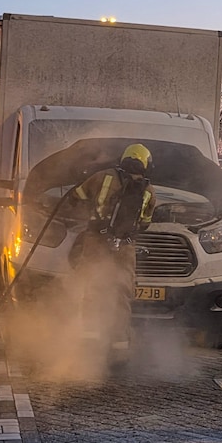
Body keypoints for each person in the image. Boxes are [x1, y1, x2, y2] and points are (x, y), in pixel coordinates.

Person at [69, 144, 157, 354]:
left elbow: (75, 197)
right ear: (146, 164)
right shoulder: (148, 191)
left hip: (96, 241)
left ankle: (89, 338)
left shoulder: (102, 176)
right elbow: (145, 223)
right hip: (125, 247)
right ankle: (119, 345)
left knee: (93, 286)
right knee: (122, 293)